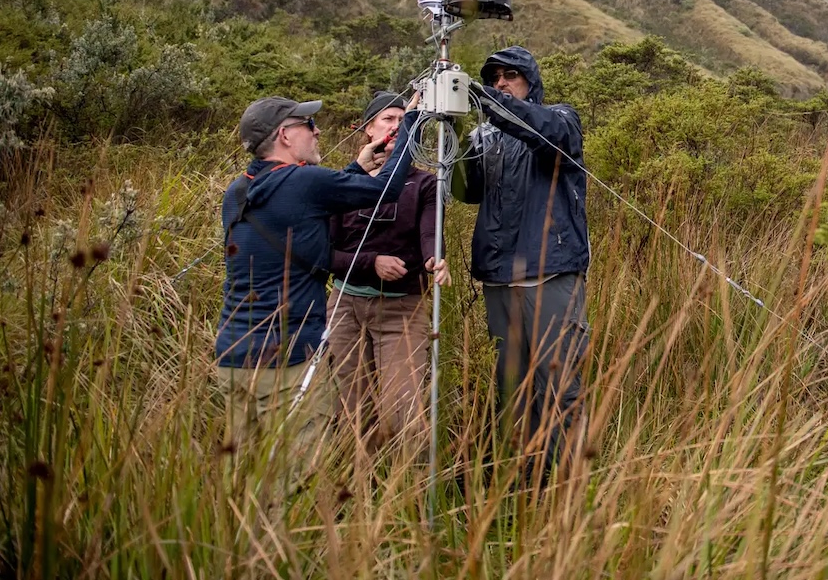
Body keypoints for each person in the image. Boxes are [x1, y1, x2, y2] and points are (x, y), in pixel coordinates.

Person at [215, 92, 419, 472]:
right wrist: (411, 123)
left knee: (243, 475)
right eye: (308, 125)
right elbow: (384, 191)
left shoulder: (239, 190)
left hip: (233, 356)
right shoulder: (303, 183)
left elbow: (300, 209)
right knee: (297, 478)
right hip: (286, 359)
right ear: (285, 136)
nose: (317, 130)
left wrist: (354, 170)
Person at [452, 46, 590, 484]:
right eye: (494, 78)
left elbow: (548, 133)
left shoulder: (559, 117)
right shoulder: (484, 137)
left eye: (511, 75)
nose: (501, 83)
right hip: (499, 279)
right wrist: (453, 134)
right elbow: (466, 190)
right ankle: (523, 476)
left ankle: (565, 484)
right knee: (512, 385)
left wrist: (493, 104)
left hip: (549, 273)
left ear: (531, 80)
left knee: (558, 383)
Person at [327, 91, 451, 456]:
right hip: (345, 307)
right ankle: (356, 491)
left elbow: (430, 233)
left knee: (403, 408)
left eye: (403, 119)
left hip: (401, 309)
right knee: (349, 408)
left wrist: (434, 259)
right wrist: (371, 262)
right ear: (369, 130)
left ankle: (406, 496)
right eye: (388, 119)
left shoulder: (424, 183)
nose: (396, 126)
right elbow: (324, 252)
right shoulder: (343, 181)